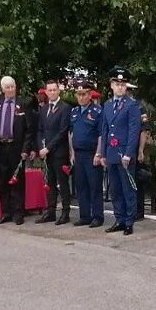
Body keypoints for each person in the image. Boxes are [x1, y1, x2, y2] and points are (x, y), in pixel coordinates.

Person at [97, 66, 142, 235]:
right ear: (112, 85)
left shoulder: (132, 105)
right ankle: (119, 219)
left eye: (123, 84)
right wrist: (102, 153)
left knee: (127, 189)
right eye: (117, 83)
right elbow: (105, 130)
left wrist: (129, 153)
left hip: (124, 153)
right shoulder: (108, 105)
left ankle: (129, 221)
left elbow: (134, 131)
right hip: (111, 153)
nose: (120, 87)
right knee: (114, 189)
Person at [0, 76, 37, 226]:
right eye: (7, 87)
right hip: (0, 147)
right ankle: (5, 212)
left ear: (16, 87)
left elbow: (30, 129)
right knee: (2, 181)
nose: (10, 90)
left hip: (17, 147)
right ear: (2, 89)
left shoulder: (24, 103)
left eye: (12, 87)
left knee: (17, 181)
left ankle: (18, 212)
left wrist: (26, 149)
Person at [37, 80, 73, 225]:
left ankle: (65, 213)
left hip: (59, 152)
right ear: (46, 92)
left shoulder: (65, 108)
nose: (52, 92)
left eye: (54, 90)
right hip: (46, 153)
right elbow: (39, 130)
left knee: (62, 183)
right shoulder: (43, 109)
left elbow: (63, 131)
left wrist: (48, 147)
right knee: (49, 182)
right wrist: (40, 147)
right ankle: (50, 211)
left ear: (59, 91)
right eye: (49, 90)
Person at [70, 83, 104, 228]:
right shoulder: (74, 112)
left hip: (92, 154)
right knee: (81, 186)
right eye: (79, 94)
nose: (81, 97)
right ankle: (85, 216)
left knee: (94, 186)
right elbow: (71, 134)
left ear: (90, 95)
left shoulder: (97, 111)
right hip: (78, 154)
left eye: (84, 94)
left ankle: (97, 216)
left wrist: (98, 153)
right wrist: (71, 153)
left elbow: (102, 134)